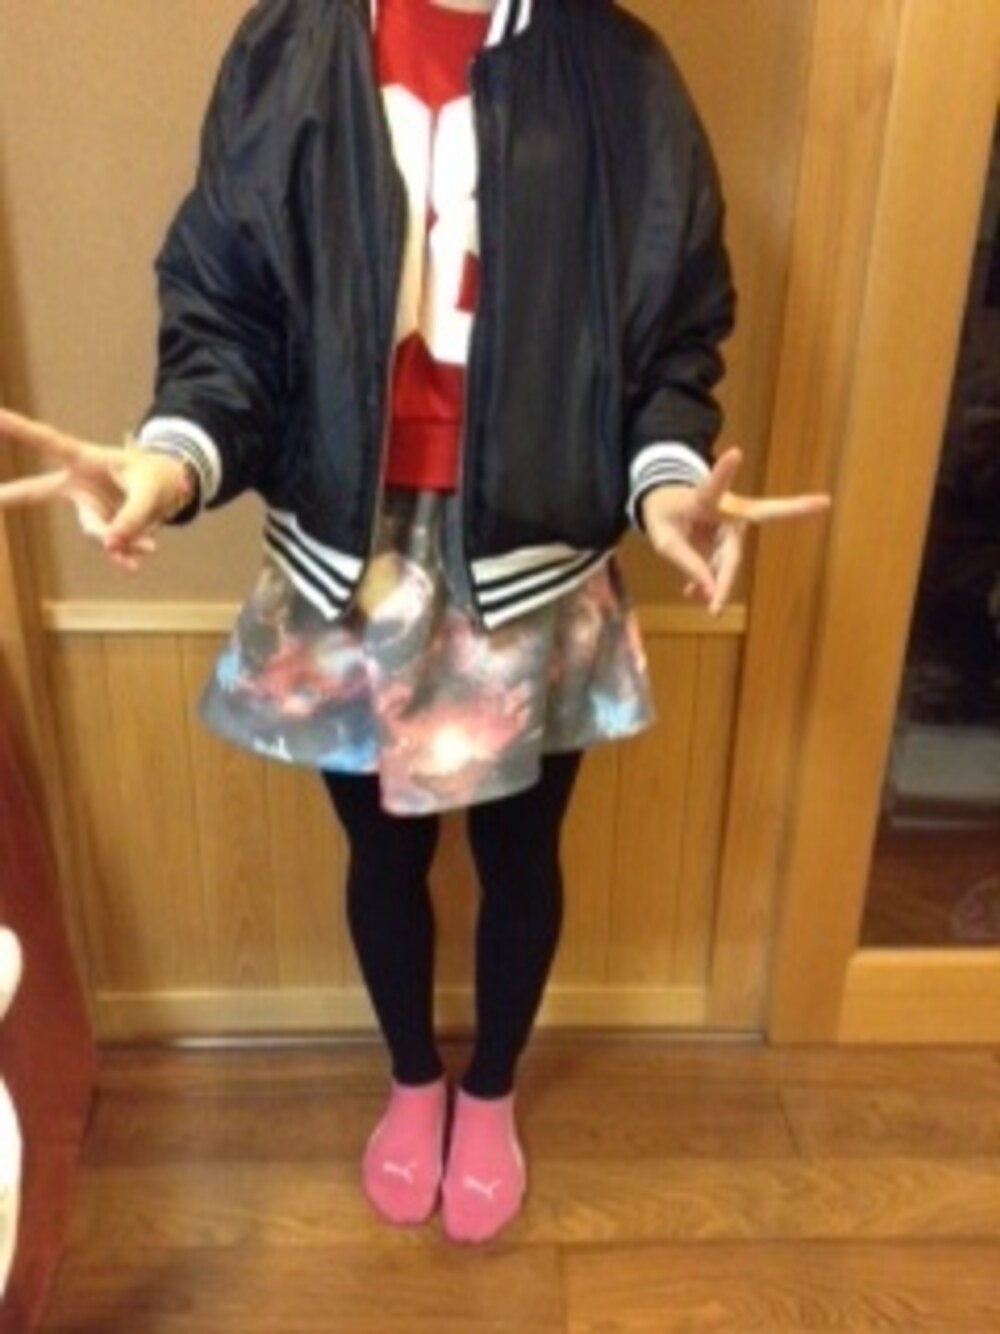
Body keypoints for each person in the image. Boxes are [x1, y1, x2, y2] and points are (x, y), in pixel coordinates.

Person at [0, 0, 829, 1243]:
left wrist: (665, 480)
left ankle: (489, 1088)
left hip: (532, 552)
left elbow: (670, 328)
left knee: (520, 853)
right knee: (380, 852)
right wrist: (170, 462)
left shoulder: (620, 68)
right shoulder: (290, 43)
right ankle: (411, 1077)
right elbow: (229, 310)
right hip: (349, 550)